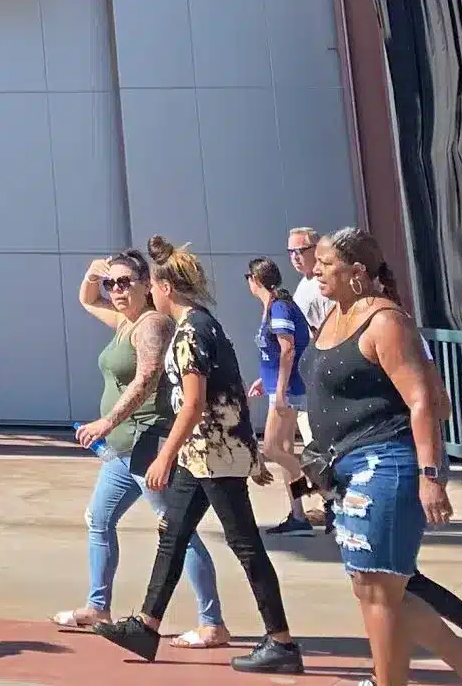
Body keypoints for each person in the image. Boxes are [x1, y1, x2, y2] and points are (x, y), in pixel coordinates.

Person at [303, 231, 462, 686]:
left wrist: (431, 475)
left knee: (379, 590)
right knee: (381, 590)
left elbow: (422, 402)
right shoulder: (331, 317)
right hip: (345, 470)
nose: (315, 269)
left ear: (357, 271)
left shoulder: (386, 322)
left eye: (325, 263)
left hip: (384, 465)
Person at [96, 239, 300, 673]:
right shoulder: (205, 323)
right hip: (206, 452)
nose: (150, 292)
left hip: (213, 453)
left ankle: (280, 641)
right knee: (172, 533)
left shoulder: (190, 333)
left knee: (245, 544)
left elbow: (193, 403)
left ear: (166, 287)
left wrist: (164, 455)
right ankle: (146, 625)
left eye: (152, 284)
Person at [56, 249, 226, 645]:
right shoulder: (124, 321)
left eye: (124, 283)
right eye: (110, 284)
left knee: (176, 531)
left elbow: (148, 375)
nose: (115, 290)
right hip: (123, 451)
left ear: (146, 286)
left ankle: (212, 622)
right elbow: (85, 299)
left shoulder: (150, 324)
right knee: (99, 520)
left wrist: (106, 421)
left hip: (148, 443)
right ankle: (98, 606)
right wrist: (91, 273)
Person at [246, 259, 311, 538]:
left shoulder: (279, 307)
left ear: (256, 280)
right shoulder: (271, 307)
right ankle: (298, 514)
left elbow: (288, 350)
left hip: (286, 391)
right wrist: (266, 379)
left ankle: (325, 487)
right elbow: (274, 354)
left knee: (271, 448)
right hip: (276, 386)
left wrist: (281, 391)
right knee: (285, 450)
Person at [276, 229, 331, 533]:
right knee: (297, 447)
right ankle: (307, 509)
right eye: (291, 252)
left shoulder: (322, 287)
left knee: (314, 448)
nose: (296, 257)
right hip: (304, 378)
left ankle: (330, 505)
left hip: (316, 379)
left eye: (301, 250)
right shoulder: (304, 285)